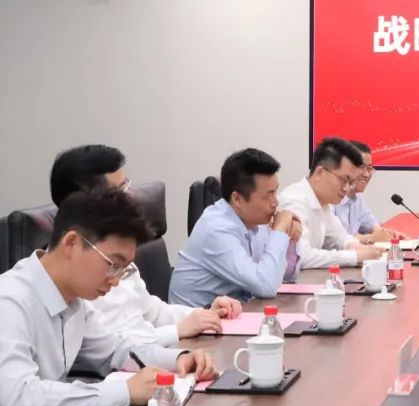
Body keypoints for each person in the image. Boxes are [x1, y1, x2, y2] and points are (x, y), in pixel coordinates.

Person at [0, 189, 217, 406]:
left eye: (123, 269)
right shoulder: (10, 301)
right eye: (113, 264)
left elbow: (115, 350)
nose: (116, 280)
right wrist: (124, 392)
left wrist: (177, 359)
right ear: (71, 244)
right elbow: (17, 399)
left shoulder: (73, 299)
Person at [49, 145, 241, 345]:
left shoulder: (117, 251)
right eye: (121, 189)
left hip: (153, 352)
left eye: (128, 185)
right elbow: (106, 347)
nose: (131, 196)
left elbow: (153, 311)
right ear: (87, 200)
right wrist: (177, 331)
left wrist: (206, 314)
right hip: (135, 359)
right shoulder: (77, 271)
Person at [170, 148, 302, 307]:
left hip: (235, 314)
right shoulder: (216, 229)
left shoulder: (254, 221)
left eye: (275, 192)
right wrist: (280, 229)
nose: (276, 203)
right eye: (268, 195)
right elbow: (266, 285)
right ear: (237, 199)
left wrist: (289, 238)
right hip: (200, 319)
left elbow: (286, 276)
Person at [278, 137, 381, 269]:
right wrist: (355, 256)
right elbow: (300, 256)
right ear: (320, 173)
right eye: (343, 180)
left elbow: (341, 237)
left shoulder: (323, 203)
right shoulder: (295, 201)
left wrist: (361, 249)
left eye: (350, 182)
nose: (346, 188)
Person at [333, 141, 403, 241]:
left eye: (369, 168)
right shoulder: (330, 198)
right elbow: (333, 240)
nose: (366, 174)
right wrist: (371, 238)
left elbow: (374, 227)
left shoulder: (358, 198)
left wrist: (392, 235)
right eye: (361, 167)